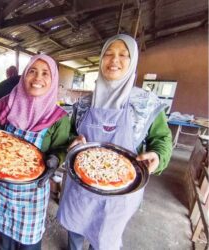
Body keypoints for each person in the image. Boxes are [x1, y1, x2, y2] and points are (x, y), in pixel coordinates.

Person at [57, 34, 172, 250]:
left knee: (103, 238)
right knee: (75, 232)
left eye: (123, 55)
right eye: (108, 54)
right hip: (80, 186)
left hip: (119, 191)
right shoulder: (84, 103)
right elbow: (69, 134)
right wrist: (72, 141)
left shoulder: (145, 103)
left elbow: (162, 139)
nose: (114, 60)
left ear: (133, 61)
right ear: (100, 59)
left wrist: (158, 155)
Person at [0, 55, 71, 249]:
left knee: (29, 243)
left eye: (45, 73)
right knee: (4, 239)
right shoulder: (7, 104)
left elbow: (61, 148)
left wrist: (56, 158)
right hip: (3, 186)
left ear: (53, 81)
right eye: (32, 71)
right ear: (23, 76)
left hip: (32, 194)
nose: (37, 78)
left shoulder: (58, 118)